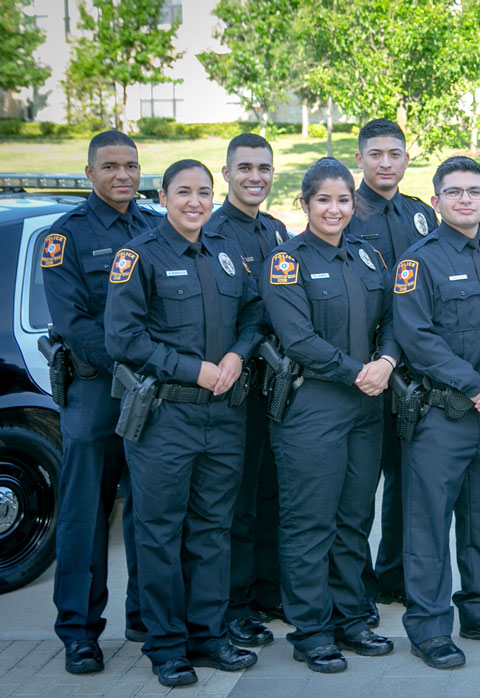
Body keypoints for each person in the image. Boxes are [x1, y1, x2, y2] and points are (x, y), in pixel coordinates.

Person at [104, 159, 265, 687]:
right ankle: (167, 645)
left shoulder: (223, 253)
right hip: (164, 418)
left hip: (222, 417)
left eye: (203, 193)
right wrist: (191, 368)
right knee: (159, 535)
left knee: (212, 532)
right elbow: (123, 339)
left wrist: (239, 354)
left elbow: (254, 312)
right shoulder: (139, 256)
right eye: (184, 193)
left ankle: (209, 635)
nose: (195, 202)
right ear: (164, 196)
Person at [260, 157, 400, 673]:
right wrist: (357, 371)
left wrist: (385, 362)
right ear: (305, 205)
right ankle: (311, 630)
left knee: (352, 519)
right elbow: (296, 338)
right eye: (324, 200)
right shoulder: (286, 261)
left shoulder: (367, 258)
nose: (335, 209)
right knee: (308, 522)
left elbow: (395, 320)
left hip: (365, 405)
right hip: (312, 406)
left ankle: (350, 618)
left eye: (343, 200)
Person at [393, 156, 480, 669]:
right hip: (440, 416)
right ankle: (429, 629)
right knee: (428, 526)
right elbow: (416, 336)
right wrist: (475, 385)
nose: (465, 199)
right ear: (436, 202)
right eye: (454, 192)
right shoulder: (417, 261)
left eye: (474, 191)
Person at [43, 129, 157, 675]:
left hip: (153, 391)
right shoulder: (64, 238)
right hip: (95, 391)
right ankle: (80, 632)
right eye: (110, 167)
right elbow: (73, 323)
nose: (123, 176)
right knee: (86, 515)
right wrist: (132, 359)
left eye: (131, 166)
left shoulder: (155, 227)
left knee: (149, 511)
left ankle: (143, 616)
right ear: (90, 174)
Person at [346, 119, 438, 621]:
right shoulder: (345, 210)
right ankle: (357, 583)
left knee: (408, 483)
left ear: (406, 159)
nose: (386, 163)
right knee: (358, 488)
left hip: (414, 372)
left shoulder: (422, 215)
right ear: (360, 160)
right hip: (363, 371)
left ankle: (396, 576)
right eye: (376, 154)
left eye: (395, 154)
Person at [208, 133, 289, 646]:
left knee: (270, 493)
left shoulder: (278, 231)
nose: (255, 176)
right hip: (233, 388)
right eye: (245, 168)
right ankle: (234, 604)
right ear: (227, 172)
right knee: (235, 502)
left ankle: (266, 589)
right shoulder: (212, 232)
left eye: (263, 167)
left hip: (275, 389)